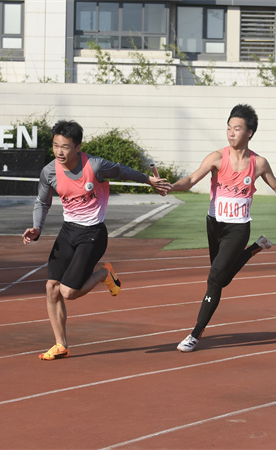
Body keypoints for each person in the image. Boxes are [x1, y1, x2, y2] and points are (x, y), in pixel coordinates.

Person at [22, 120, 171, 360]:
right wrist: (37, 228)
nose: (59, 151)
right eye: (56, 145)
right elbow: (42, 202)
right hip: (68, 231)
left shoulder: (95, 166)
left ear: (78, 147)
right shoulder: (49, 171)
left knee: (68, 292)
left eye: (65, 146)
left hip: (92, 233)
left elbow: (122, 170)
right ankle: (60, 345)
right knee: (51, 287)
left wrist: (148, 180)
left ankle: (104, 274)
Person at [168, 104, 276, 352]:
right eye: (228, 128)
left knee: (214, 278)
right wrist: (170, 187)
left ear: (250, 132)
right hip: (214, 224)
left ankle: (195, 333)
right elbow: (190, 180)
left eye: (237, 128)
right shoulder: (216, 158)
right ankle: (255, 248)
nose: (231, 133)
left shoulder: (259, 163)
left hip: (238, 228)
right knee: (221, 279)